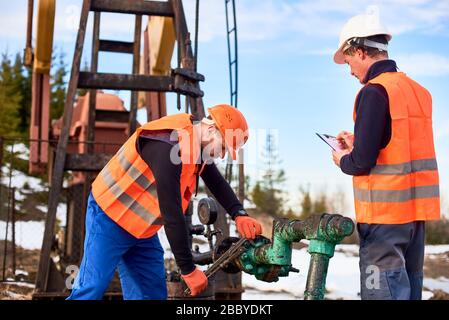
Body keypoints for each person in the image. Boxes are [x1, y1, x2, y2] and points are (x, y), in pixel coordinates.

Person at [67, 104, 263, 300]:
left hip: (142, 229)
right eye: (222, 147)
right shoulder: (169, 143)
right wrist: (188, 269)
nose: (221, 154)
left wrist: (239, 214)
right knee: (91, 289)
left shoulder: (197, 144)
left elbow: (216, 182)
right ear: (211, 129)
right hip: (109, 216)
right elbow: (172, 213)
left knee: (150, 294)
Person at [331, 13, 440, 300]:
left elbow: (361, 161)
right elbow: (400, 143)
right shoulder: (418, 92)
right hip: (414, 219)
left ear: (360, 51)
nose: (350, 70)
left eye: (349, 61)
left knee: (382, 293)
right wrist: (360, 140)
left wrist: (342, 158)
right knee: (410, 289)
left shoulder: (374, 91)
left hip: (384, 221)